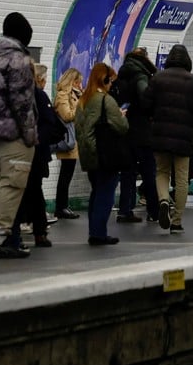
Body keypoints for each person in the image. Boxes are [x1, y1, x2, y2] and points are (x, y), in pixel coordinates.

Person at [0, 12, 37, 259]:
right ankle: (0, 237)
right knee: (11, 185)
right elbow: (22, 103)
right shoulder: (17, 59)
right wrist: (30, 135)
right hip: (14, 134)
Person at [141, 44, 193, 235]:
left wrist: (154, 117)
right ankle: (177, 221)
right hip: (183, 137)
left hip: (160, 134)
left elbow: (145, 104)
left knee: (161, 171)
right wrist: (191, 120)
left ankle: (163, 200)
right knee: (181, 179)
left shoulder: (157, 78)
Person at [75, 62, 130, 245]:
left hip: (88, 154)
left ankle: (94, 231)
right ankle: (98, 233)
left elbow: (80, 128)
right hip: (105, 154)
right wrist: (121, 116)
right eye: (110, 80)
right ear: (104, 80)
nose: (111, 84)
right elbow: (121, 127)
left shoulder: (83, 100)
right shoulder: (106, 100)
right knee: (106, 194)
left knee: (96, 192)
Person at [9, 63, 60, 249]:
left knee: (26, 192)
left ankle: (31, 231)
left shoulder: (32, 95)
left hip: (30, 153)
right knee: (31, 192)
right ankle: (35, 232)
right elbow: (49, 122)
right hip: (30, 152)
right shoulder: (35, 95)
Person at [115, 47, 157, 224]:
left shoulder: (123, 73)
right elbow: (145, 98)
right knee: (149, 172)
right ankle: (153, 210)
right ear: (144, 58)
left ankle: (125, 210)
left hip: (127, 129)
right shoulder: (141, 75)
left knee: (128, 172)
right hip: (143, 130)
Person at [52, 67, 84, 219]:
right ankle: (61, 207)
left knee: (68, 174)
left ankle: (64, 205)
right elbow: (66, 116)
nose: (80, 85)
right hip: (67, 138)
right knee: (65, 175)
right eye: (78, 82)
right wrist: (80, 104)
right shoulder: (62, 95)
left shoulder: (75, 94)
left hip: (75, 138)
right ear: (73, 81)